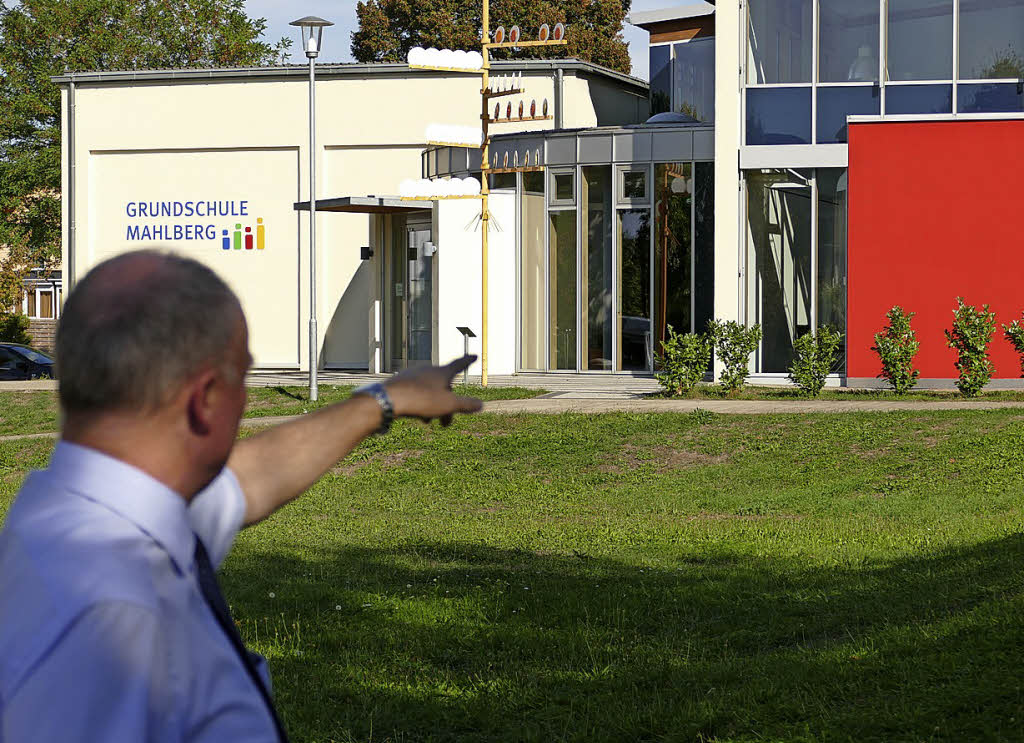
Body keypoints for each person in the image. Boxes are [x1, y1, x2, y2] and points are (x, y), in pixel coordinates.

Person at [0, 250, 482, 742]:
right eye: (242, 375)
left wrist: (385, 399)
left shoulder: (79, 517)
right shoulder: (112, 620)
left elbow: (251, 476)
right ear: (205, 399)